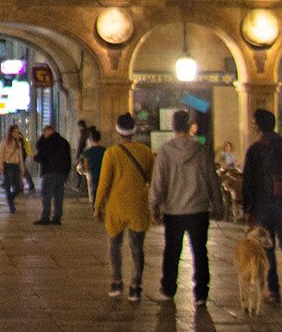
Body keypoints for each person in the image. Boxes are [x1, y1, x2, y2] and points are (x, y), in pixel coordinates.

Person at [148, 109, 224, 305]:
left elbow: (158, 182)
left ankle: (168, 287)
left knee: (172, 250)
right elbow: (212, 179)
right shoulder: (201, 151)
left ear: (172, 126)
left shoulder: (165, 151)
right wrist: (217, 204)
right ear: (189, 125)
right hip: (198, 210)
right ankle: (201, 292)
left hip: (174, 210)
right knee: (200, 251)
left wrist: (154, 207)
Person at [241, 108, 282, 304]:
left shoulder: (255, 149)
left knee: (267, 248)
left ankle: (274, 290)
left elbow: (248, 182)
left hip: (263, 205)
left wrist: (248, 208)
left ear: (259, 126)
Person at [92, 112, 153, 301]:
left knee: (115, 246)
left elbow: (104, 183)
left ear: (118, 131)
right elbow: (152, 180)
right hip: (138, 205)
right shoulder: (146, 152)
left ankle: (117, 282)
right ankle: (135, 286)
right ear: (134, 131)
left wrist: (97, 207)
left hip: (116, 206)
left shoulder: (112, 153)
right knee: (137, 248)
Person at [34, 124, 72, 225]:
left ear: (47, 131)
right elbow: (68, 158)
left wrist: (35, 157)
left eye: (44, 132)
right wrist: (66, 172)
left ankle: (45, 217)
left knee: (47, 195)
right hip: (62, 173)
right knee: (58, 196)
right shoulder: (63, 142)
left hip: (50, 172)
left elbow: (42, 155)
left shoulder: (47, 142)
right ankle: (57, 217)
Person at [0, 125, 28, 212]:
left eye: (17, 132)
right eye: (15, 132)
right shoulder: (4, 142)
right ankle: (11, 206)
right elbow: (1, 155)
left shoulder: (18, 143)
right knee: (8, 185)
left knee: (18, 187)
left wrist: (22, 168)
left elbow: (20, 156)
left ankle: (10, 199)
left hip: (15, 165)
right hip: (7, 165)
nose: (16, 134)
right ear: (11, 132)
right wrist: (0, 167)